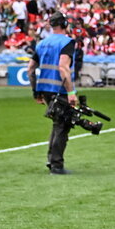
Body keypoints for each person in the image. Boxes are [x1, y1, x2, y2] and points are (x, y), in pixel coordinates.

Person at [27, 12, 77, 174]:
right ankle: (56, 164)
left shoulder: (42, 43)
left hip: (45, 89)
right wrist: (71, 92)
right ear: (64, 24)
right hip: (60, 90)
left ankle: (52, 159)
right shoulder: (67, 42)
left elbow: (30, 69)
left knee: (57, 124)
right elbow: (63, 68)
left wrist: (36, 91)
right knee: (62, 126)